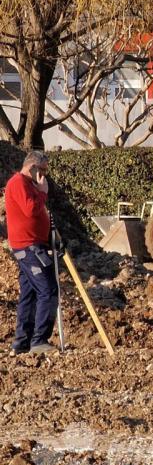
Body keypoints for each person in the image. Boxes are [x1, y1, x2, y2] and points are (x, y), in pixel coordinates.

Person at [5, 151, 58, 354]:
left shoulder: (29, 185)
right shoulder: (18, 182)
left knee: (29, 294)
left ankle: (21, 342)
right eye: (42, 170)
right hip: (28, 247)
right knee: (48, 290)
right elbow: (30, 209)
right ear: (32, 167)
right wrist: (43, 191)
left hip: (33, 245)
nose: (44, 175)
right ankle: (39, 341)